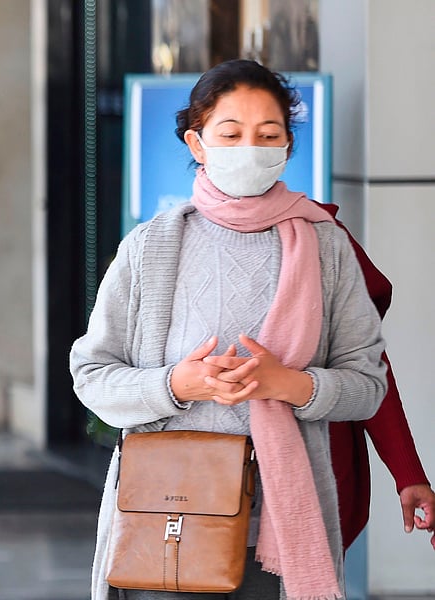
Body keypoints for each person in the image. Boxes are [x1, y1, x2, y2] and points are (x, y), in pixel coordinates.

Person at [69, 59, 388, 600]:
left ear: (288, 145)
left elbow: (368, 385)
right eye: (231, 133)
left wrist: (289, 384)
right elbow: (92, 375)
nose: (250, 147)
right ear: (197, 143)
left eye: (269, 134)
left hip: (280, 529)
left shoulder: (325, 245)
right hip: (169, 518)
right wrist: (178, 386)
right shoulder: (151, 247)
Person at [321, 205, 435, 551]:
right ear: (196, 147)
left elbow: (366, 367)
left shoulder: (324, 238)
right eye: (232, 143)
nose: (250, 150)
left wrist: (409, 473)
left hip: (313, 473)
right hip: (199, 481)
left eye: (269, 144)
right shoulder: (168, 239)